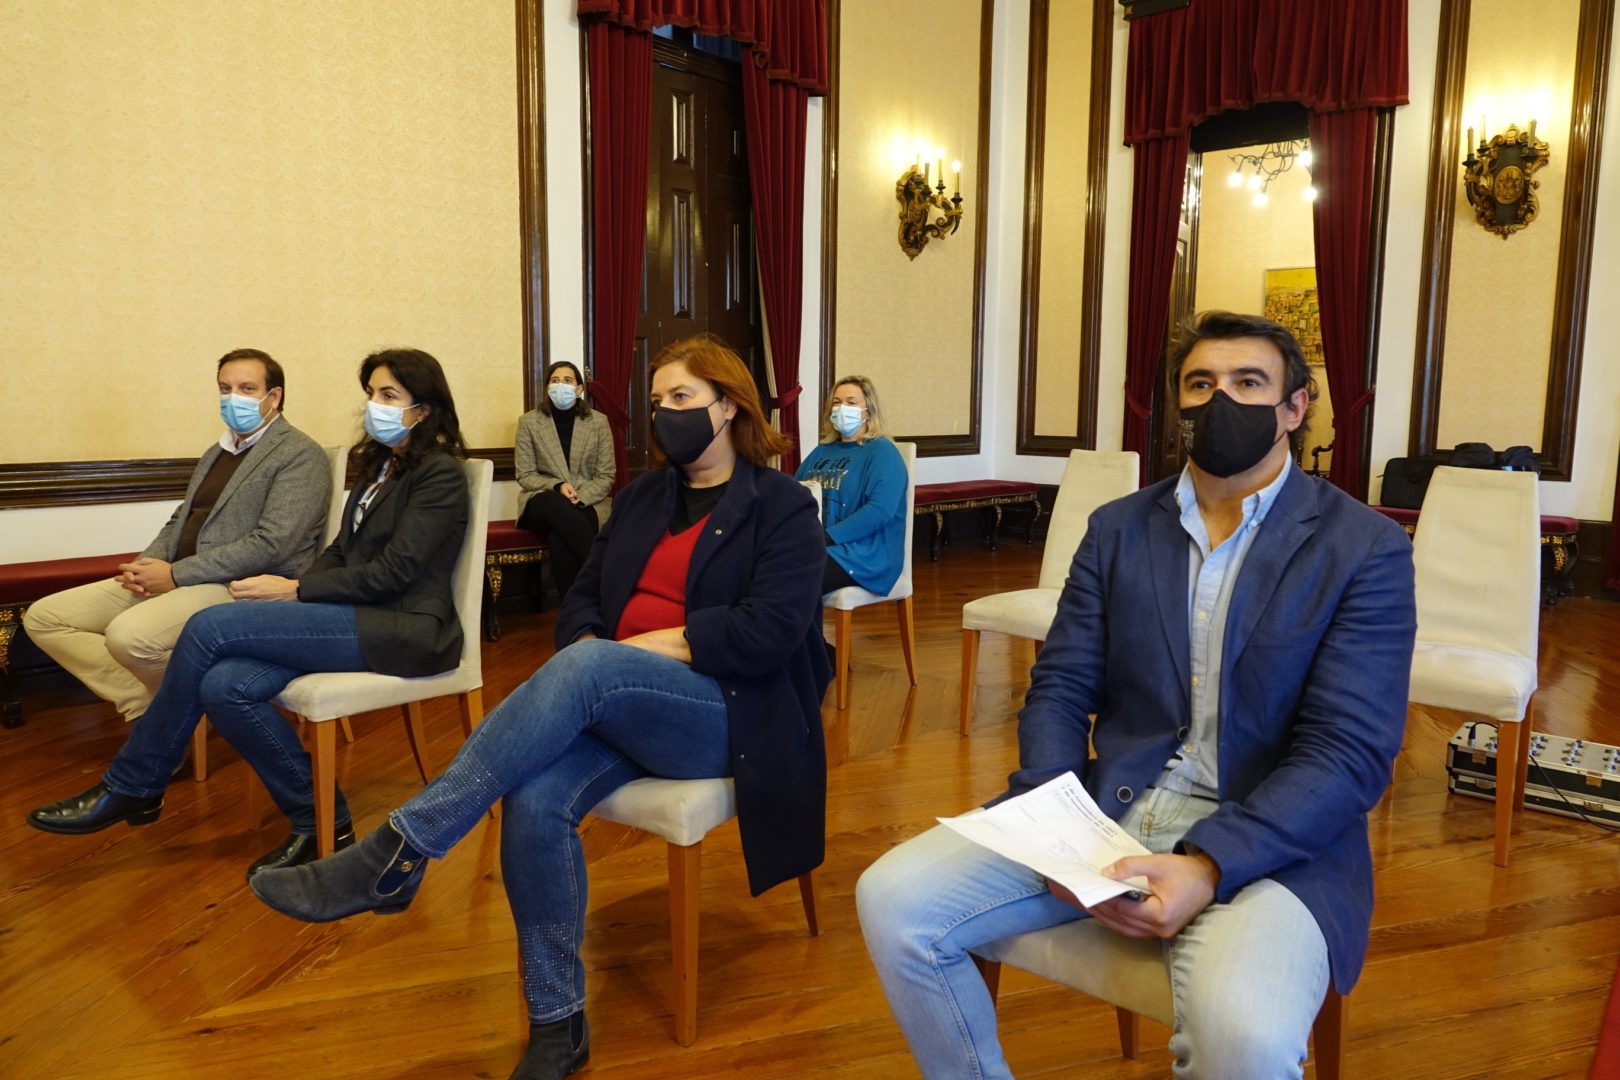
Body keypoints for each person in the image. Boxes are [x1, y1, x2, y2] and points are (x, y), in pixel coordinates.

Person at [249, 335, 832, 1080]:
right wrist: (597, 652)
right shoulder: (644, 498)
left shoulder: (782, 505)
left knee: (590, 666)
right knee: (533, 797)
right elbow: (582, 598)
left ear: (729, 406)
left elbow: (768, 632)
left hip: (726, 713)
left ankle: (397, 850)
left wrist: (634, 652)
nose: (664, 413)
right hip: (615, 699)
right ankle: (558, 1022)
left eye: (682, 398)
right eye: (657, 400)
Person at [856, 311, 1417, 1079]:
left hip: (1275, 840)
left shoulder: (1364, 547)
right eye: (1200, 384)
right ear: (1178, 407)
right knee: (893, 899)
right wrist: (1053, 823)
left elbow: (1348, 753)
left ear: (1295, 407)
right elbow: (1060, 684)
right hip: (1108, 809)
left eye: (1248, 382)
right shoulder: (1118, 527)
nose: (1221, 400)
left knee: (1245, 1039)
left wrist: (1209, 865)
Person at [26, 348, 470, 881]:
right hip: (352, 612)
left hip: (403, 626)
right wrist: (299, 592)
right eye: (372, 393)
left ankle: (135, 783)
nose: (374, 405)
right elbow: (341, 552)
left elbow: (395, 573)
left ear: (424, 408)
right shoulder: (381, 466)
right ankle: (320, 822)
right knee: (223, 686)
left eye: (388, 395)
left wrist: (297, 588)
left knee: (208, 625)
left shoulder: (440, 474)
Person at [22, 348, 330, 723]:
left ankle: (168, 719)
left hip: (240, 585)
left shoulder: (300, 454)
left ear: (274, 396)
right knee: (45, 617)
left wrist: (175, 575)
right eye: (225, 388)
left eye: (247, 388)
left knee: (127, 636)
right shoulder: (217, 452)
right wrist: (146, 564)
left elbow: (273, 544)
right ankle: (152, 705)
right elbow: (181, 519)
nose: (234, 398)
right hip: (181, 575)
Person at [794, 375, 908, 597]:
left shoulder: (882, 452)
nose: (842, 408)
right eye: (837, 402)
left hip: (864, 556)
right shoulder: (822, 451)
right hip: (820, 546)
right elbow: (795, 492)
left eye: (851, 402)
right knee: (764, 567)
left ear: (868, 411)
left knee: (792, 576)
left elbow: (880, 510)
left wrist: (826, 537)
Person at [514, 360, 616, 603]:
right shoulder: (529, 422)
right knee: (554, 502)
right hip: (542, 501)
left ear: (579, 389)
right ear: (547, 388)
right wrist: (557, 486)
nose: (561, 385)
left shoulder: (598, 422)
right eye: (555, 380)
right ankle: (604, 577)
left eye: (568, 381)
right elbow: (525, 475)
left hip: (588, 501)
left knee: (558, 538)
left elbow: (606, 475)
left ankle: (573, 609)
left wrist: (580, 496)